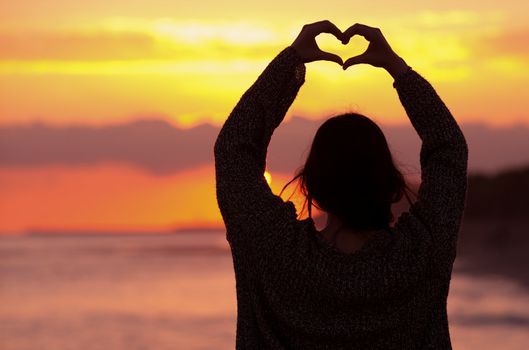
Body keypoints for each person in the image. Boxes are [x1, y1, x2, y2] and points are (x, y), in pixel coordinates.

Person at [214, 20, 468, 349]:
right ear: (390, 183)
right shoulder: (420, 253)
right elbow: (449, 147)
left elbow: (234, 150)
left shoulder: (275, 252)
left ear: (311, 186)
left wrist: (291, 61)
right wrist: (396, 68)